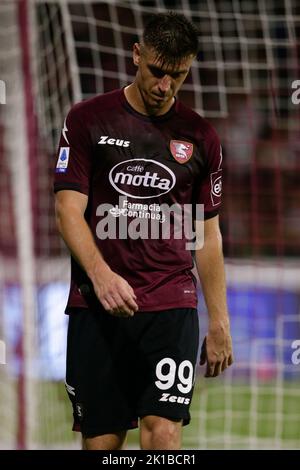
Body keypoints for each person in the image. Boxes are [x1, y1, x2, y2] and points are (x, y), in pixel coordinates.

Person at [54, 11, 233, 450]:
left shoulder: (201, 137)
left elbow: (207, 235)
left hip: (171, 303)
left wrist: (220, 321)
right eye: (157, 71)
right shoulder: (86, 120)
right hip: (98, 307)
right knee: (103, 445)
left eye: (178, 75)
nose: (164, 86)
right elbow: (66, 209)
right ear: (136, 55)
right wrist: (100, 275)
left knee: (164, 435)